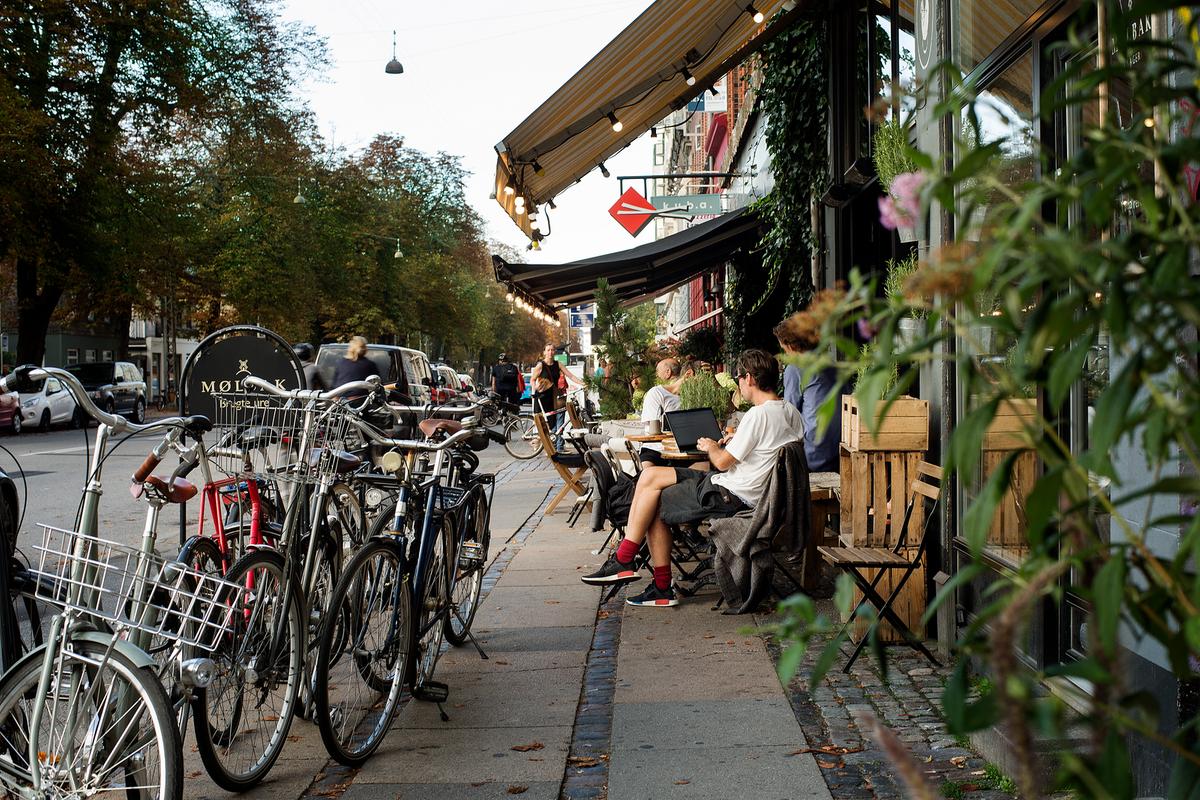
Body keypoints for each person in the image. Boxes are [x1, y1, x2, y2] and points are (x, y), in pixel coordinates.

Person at [581, 349, 803, 607]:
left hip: (731, 496)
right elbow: (765, 449)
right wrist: (732, 440)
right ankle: (632, 565)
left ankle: (647, 576)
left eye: (739, 377)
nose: (739, 384)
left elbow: (720, 462)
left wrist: (711, 446)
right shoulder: (789, 411)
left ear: (750, 379)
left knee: (653, 497)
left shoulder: (758, 414)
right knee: (651, 479)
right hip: (751, 494)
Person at [773, 316, 841, 473]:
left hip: (813, 455)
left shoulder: (795, 368)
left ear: (791, 346)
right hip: (840, 450)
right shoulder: (832, 364)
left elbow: (789, 415)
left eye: (784, 350)